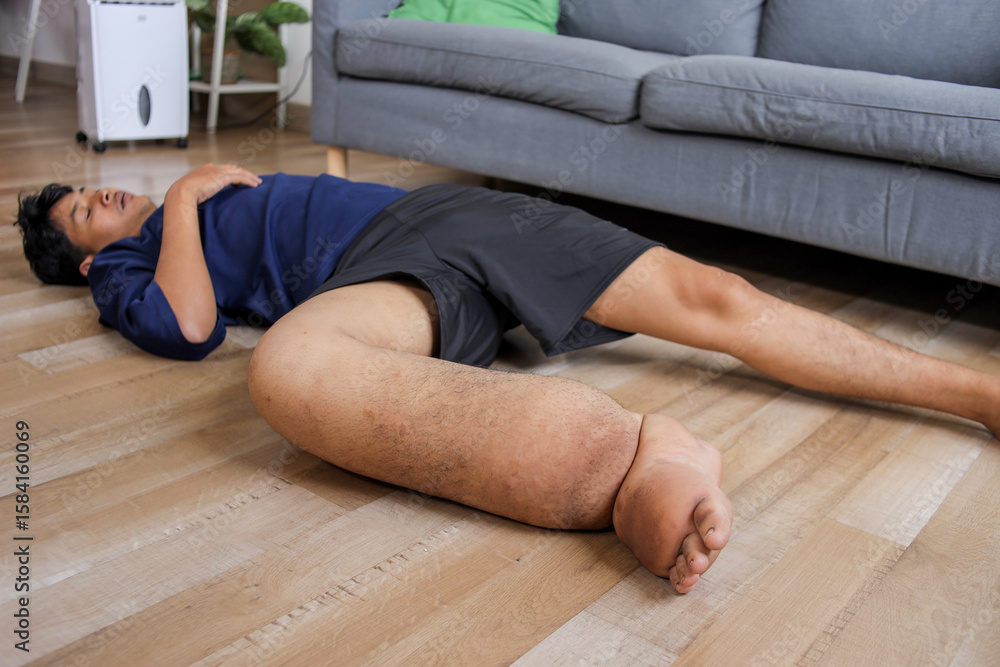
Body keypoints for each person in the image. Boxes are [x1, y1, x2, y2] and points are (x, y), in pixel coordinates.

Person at [15, 163, 1000, 594]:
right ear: (91, 262)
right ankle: (638, 462)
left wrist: (178, 195)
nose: (100, 195)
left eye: (90, 189)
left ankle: (979, 393)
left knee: (716, 297)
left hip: (445, 216)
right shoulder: (132, 268)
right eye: (83, 213)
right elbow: (191, 329)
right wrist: (183, 199)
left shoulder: (166, 212)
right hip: (376, 284)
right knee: (288, 370)